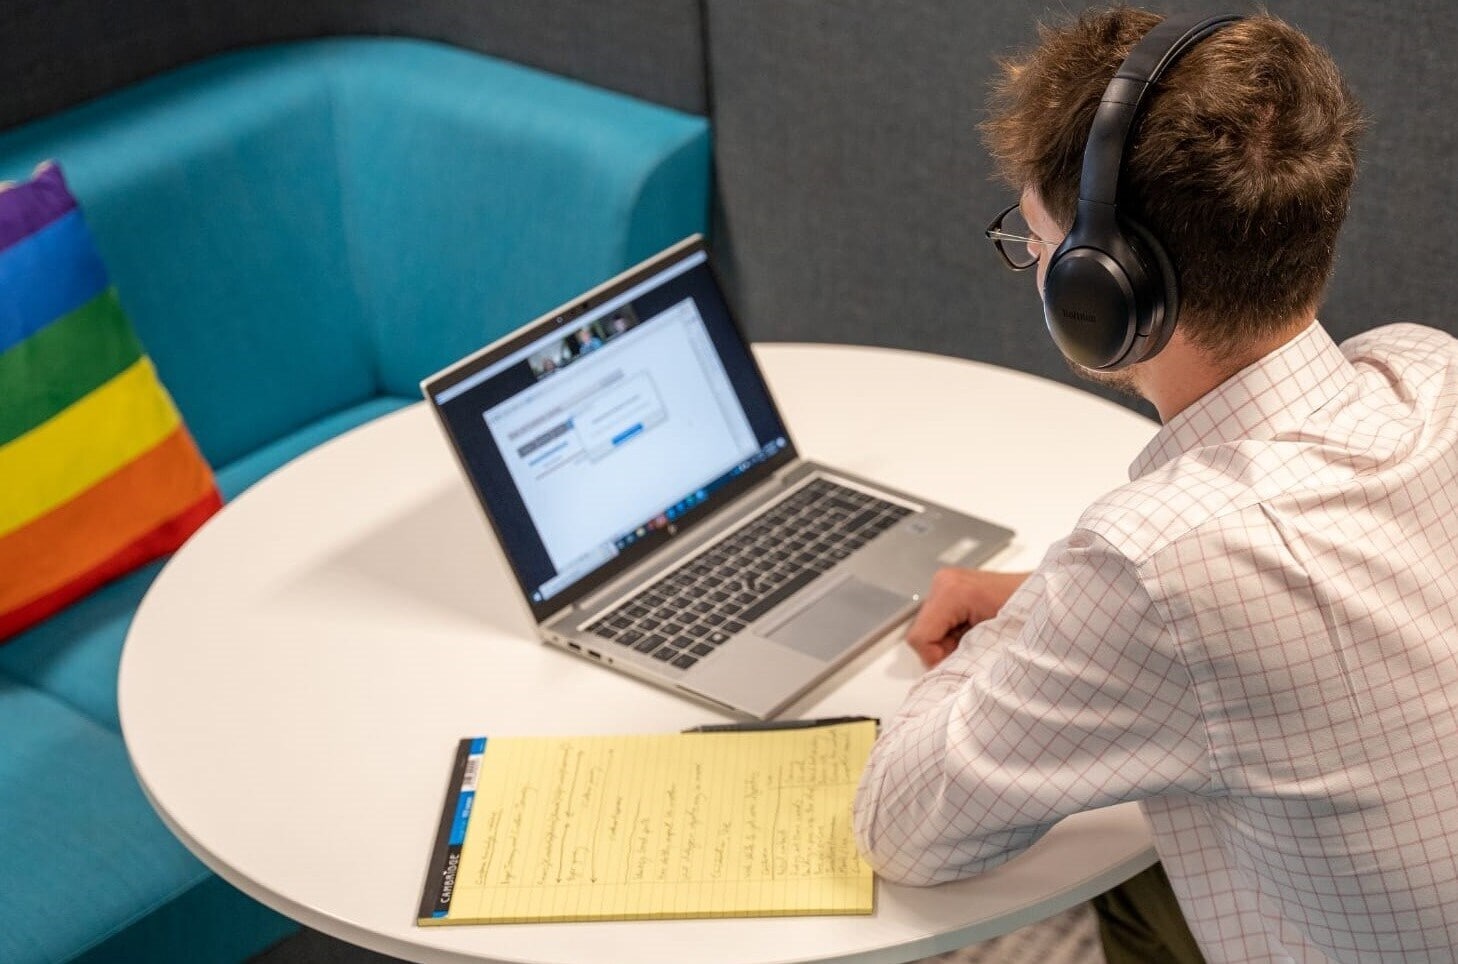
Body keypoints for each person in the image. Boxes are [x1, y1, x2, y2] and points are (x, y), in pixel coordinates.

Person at [853, 7, 1458, 963]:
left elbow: (899, 826)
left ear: (1105, 289)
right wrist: (1062, 608)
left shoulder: (1156, 562)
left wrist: (1034, 623)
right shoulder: (1431, 376)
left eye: (1038, 237)